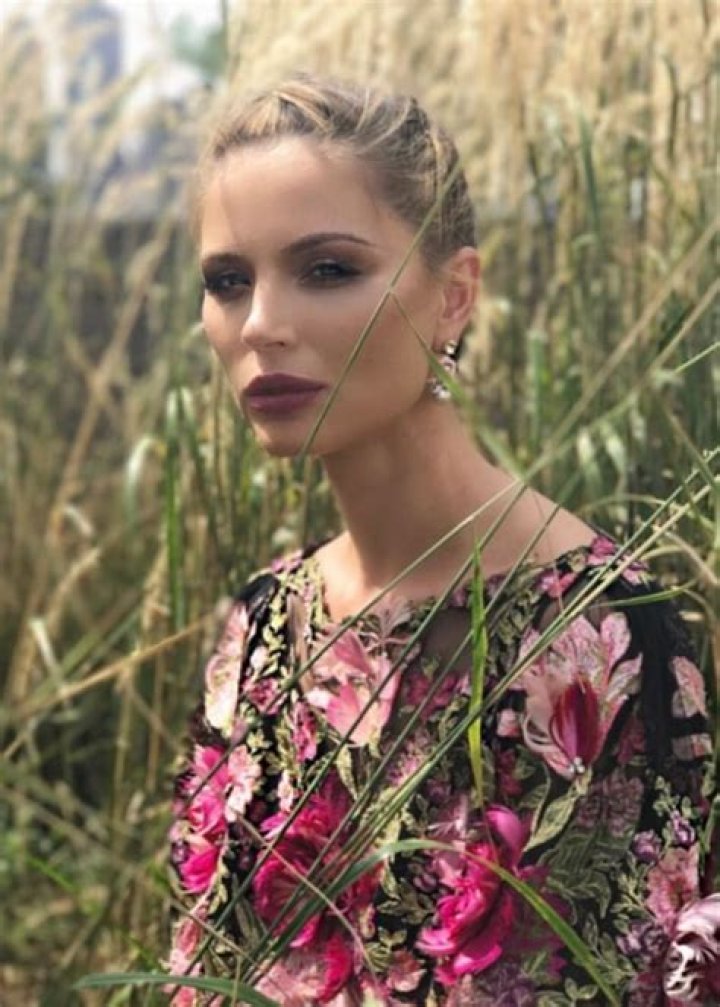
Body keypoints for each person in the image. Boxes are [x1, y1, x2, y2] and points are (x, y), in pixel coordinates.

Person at [166, 76, 716, 1006]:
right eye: (228, 281)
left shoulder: (600, 640)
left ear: (453, 297)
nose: (259, 324)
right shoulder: (261, 629)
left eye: (327, 269)